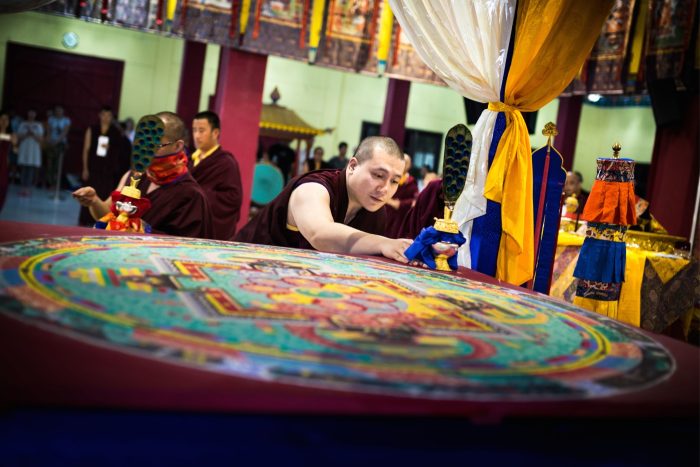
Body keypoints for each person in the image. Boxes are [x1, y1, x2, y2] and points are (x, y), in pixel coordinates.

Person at [235, 136, 413, 263]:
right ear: (352, 166)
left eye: (395, 181)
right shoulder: (313, 188)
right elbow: (320, 234)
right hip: (247, 267)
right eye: (378, 175)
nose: (385, 188)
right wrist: (383, 243)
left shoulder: (376, 212)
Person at [73, 111, 213, 239]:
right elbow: (108, 216)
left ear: (177, 146)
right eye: (144, 143)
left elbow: (188, 247)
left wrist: (143, 229)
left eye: (155, 145)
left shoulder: (191, 195)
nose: (147, 151)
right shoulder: (134, 176)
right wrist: (94, 201)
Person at [189, 110, 243, 241]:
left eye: (201, 130)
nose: (196, 135)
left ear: (215, 133)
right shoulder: (190, 160)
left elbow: (233, 198)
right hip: (188, 223)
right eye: (194, 130)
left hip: (210, 229)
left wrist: (198, 195)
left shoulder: (226, 163)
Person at [79, 105, 131, 225]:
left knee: (104, 194)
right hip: (93, 167)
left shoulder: (115, 132)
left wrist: (110, 148)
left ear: (111, 117)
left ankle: (101, 219)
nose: (106, 118)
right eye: (104, 115)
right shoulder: (92, 129)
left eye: (109, 116)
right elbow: (86, 149)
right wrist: (85, 168)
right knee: (89, 193)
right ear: (100, 115)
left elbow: (120, 151)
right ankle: (85, 219)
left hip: (107, 170)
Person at [385, 153, 419, 238]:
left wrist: (400, 204)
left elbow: (415, 200)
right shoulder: (388, 178)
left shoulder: (411, 181)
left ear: (410, 165)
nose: (404, 165)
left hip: (400, 216)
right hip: (386, 213)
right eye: (402, 161)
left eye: (406, 162)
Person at [16, 109, 43, 196]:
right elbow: (18, 137)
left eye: (33, 113)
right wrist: (27, 134)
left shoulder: (38, 125)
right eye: (30, 112)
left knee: (31, 169)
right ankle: (22, 188)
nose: (31, 114)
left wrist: (33, 134)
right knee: (24, 168)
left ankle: (28, 188)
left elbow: (41, 139)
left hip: (33, 150)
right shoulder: (23, 124)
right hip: (24, 149)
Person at [45, 105, 71, 191]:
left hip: (60, 144)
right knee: (49, 164)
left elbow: (64, 132)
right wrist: (49, 141)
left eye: (60, 110)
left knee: (57, 165)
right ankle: (49, 183)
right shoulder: (51, 119)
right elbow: (48, 131)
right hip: (51, 143)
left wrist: (56, 142)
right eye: (57, 110)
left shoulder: (66, 120)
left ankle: (56, 184)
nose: (58, 111)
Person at [0, 110, 17, 211]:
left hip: (3, 164)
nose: (4, 121)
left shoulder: (12, 134)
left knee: (2, 188)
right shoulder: (10, 136)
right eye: (2, 119)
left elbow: (15, 147)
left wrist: (14, 144)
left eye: (6, 119)